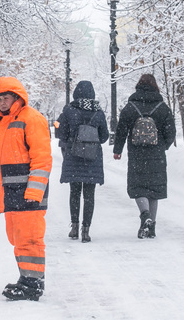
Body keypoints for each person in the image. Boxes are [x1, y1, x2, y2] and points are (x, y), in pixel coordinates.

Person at [0, 77, 52, 301]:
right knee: (16, 238)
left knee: (30, 238)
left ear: (17, 96)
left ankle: (32, 284)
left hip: (28, 192)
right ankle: (26, 278)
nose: (3, 102)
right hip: (8, 193)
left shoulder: (32, 119)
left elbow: (42, 159)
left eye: (6, 97)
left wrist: (34, 192)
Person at [112, 74, 176, 239]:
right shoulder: (162, 107)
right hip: (157, 154)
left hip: (137, 154)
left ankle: (145, 214)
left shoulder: (131, 106)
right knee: (154, 190)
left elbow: (121, 130)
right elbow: (171, 132)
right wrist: (163, 146)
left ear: (138, 86)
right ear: (156, 86)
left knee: (138, 187)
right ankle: (151, 227)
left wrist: (117, 149)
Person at [54, 80, 110, 243]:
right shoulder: (98, 112)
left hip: (74, 155)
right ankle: (86, 231)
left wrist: (73, 140)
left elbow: (62, 134)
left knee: (75, 192)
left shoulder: (69, 110)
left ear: (76, 93)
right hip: (93, 158)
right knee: (89, 195)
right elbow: (105, 136)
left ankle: (74, 228)